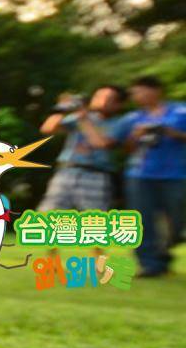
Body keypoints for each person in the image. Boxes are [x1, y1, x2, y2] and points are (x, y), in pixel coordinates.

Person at [112, 75, 186, 278]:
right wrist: (134, 137)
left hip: (176, 174)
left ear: (155, 91)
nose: (136, 96)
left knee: (177, 221)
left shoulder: (180, 111)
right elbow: (123, 148)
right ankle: (150, 264)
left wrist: (168, 131)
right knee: (141, 220)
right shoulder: (132, 118)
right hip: (139, 174)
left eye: (139, 91)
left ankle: (163, 253)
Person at [37, 86, 124, 212]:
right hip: (67, 171)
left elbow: (100, 144)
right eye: (98, 97)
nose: (102, 101)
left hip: (96, 174)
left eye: (108, 99)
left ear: (118, 104)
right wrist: (61, 109)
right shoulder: (79, 117)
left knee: (94, 220)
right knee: (48, 214)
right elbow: (47, 129)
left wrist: (82, 117)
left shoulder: (120, 123)